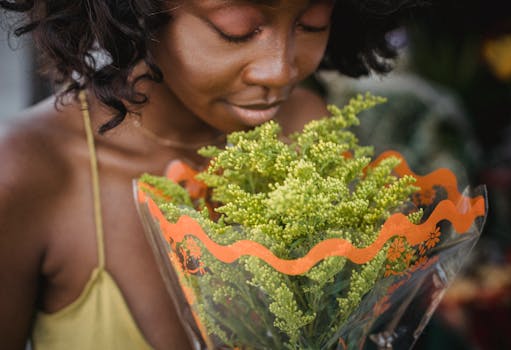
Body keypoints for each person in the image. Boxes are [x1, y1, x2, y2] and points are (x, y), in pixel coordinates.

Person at [0, 0, 418, 348]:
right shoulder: (29, 171)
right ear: (136, 12)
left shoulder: (308, 131)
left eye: (311, 24)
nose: (280, 71)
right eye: (235, 30)